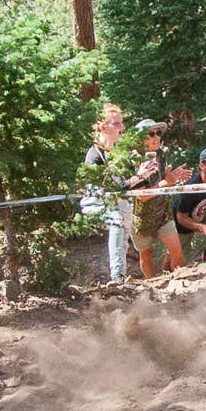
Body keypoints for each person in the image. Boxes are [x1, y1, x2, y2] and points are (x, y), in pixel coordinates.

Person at [125, 118, 191, 278]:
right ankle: (151, 287)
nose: (156, 137)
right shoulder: (133, 161)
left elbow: (165, 180)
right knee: (146, 255)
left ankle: (179, 285)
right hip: (140, 218)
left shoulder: (161, 154)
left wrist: (173, 177)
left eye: (158, 133)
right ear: (141, 138)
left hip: (162, 213)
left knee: (176, 251)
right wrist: (167, 183)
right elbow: (142, 196)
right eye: (151, 134)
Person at [82, 102, 129, 282]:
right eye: (116, 124)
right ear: (103, 127)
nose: (121, 128)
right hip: (95, 203)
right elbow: (105, 186)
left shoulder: (117, 153)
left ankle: (121, 278)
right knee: (117, 222)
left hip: (117, 203)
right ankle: (116, 277)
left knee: (124, 228)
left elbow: (125, 184)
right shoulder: (94, 154)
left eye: (121, 123)